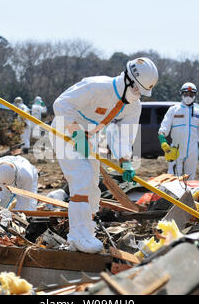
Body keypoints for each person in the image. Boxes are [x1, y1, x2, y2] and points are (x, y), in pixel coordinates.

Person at [50, 57, 159, 253]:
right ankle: (78, 235)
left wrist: (125, 161)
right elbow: (62, 104)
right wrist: (75, 132)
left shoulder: (133, 105)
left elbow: (124, 135)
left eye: (141, 93)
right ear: (127, 79)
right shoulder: (97, 86)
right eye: (136, 90)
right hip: (64, 132)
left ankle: (86, 231)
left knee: (92, 184)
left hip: (88, 137)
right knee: (81, 178)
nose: (137, 96)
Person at [158, 82, 199, 180]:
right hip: (176, 149)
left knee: (190, 178)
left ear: (195, 95)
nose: (188, 96)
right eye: (186, 94)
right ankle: (172, 196)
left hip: (193, 150)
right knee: (174, 177)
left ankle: (188, 195)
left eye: (191, 94)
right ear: (181, 94)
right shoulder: (173, 110)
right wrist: (162, 138)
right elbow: (165, 124)